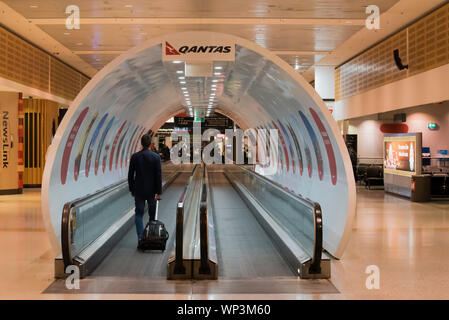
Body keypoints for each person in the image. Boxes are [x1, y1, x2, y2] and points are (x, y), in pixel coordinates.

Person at [128, 134, 162, 247]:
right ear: (150, 143)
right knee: (152, 215)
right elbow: (158, 175)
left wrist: (132, 189)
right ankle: (151, 237)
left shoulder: (135, 157)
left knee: (139, 214)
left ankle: (140, 238)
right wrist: (159, 191)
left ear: (141, 143)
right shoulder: (156, 157)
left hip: (139, 190)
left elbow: (130, 175)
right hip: (151, 191)